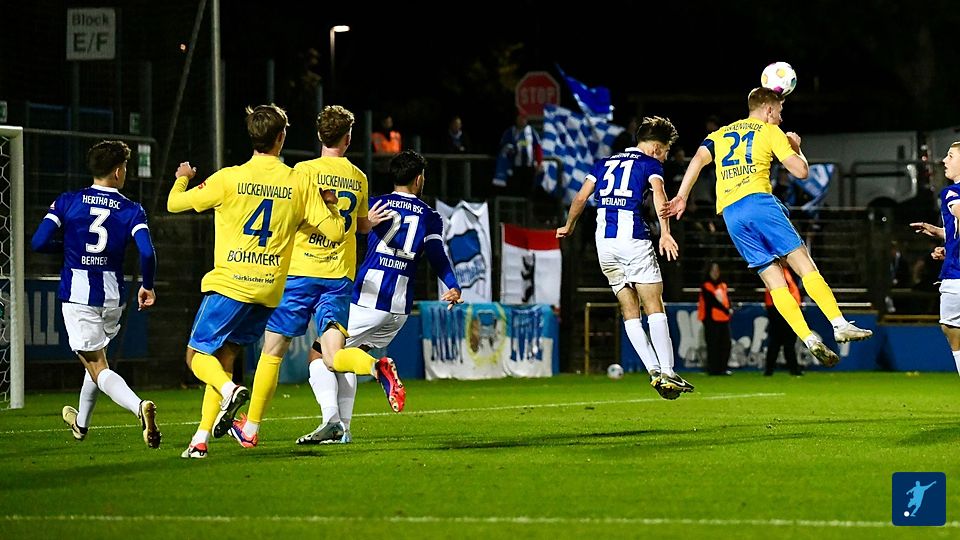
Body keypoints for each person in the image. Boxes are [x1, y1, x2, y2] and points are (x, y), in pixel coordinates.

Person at [168, 104, 348, 459]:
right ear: (281, 137)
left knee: (196, 357)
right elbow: (335, 232)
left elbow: (174, 204)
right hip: (268, 292)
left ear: (252, 137)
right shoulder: (299, 182)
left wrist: (183, 177)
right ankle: (200, 439)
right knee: (225, 355)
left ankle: (229, 390)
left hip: (230, 286)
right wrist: (331, 205)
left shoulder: (229, 178)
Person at [661, 87, 873, 368]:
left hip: (731, 215)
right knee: (804, 265)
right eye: (780, 112)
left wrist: (681, 196)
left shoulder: (720, 134)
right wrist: (796, 148)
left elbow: (698, 160)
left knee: (774, 282)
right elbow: (801, 172)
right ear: (769, 109)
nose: (781, 119)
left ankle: (808, 338)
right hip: (759, 203)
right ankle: (839, 323)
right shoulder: (770, 131)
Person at [227, 105, 397, 450]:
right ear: (348, 138)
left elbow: (290, 214)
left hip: (300, 272)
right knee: (332, 355)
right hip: (339, 276)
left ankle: (252, 427)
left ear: (319, 136)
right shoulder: (359, 177)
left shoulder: (302, 172)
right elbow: (359, 226)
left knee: (272, 352)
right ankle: (374, 366)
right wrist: (370, 222)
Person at [298, 150, 463, 444]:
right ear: (418, 179)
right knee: (348, 355)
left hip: (368, 298)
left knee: (320, 354)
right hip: (399, 308)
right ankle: (343, 430)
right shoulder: (430, 216)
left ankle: (336, 416)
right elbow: (437, 255)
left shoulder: (376, 205)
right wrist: (452, 285)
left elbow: (342, 229)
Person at [31, 140, 161, 448]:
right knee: (96, 358)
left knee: (97, 366)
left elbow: (38, 242)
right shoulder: (132, 210)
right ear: (117, 172)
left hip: (79, 296)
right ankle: (81, 425)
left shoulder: (68, 201)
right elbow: (147, 252)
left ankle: (139, 407)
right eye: (125, 167)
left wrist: (68, 248)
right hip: (112, 298)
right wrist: (148, 285)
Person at [557, 116, 693, 399]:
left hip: (605, 245)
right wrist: (665, 233)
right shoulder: (649, 164)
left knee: (629, 310)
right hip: (633, 240)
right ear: (655, 148)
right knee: (654, 305)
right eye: (666, 151)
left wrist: (569, 226)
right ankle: (668, 371)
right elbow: (659, 195)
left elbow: (581, 198)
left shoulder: (604, 163)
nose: (665, 157)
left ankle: (653, 370)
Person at [910, 140, 960, 376]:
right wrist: (944, 237)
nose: (944, 161)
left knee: (952, 328)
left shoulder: (952, 192)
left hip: (957, 277)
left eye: (950, 156)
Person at [763, 266, 802, 376]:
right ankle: (791, 369)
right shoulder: (777, 272)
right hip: (780, 309)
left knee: (780, 342)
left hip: (782, 309)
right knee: (783, 341)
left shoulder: (782, 272)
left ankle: (772, 369)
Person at [493, 113, 542, 196]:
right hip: (514, 166)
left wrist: (539, 163)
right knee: (515, 189)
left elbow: (537, 147)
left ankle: (528, 204)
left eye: (523, 119)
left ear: (526, 120)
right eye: (519, 118)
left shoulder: (532, 131)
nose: (521, 121)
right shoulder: (510, 131)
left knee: (528, 190)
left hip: (529, 166)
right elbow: (503, 146)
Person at [698, 262, 732, 376]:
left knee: (725, 345)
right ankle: (713, 369)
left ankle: (723, 368)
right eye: (713, 270)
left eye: (717, 270)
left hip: (724, 319)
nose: (715, 273)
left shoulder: (723, 285)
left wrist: (729, 308)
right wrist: (726, 310)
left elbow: (727, 299)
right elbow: (711, 301)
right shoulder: (706, 285)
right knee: (713, 345)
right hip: (711, 320)